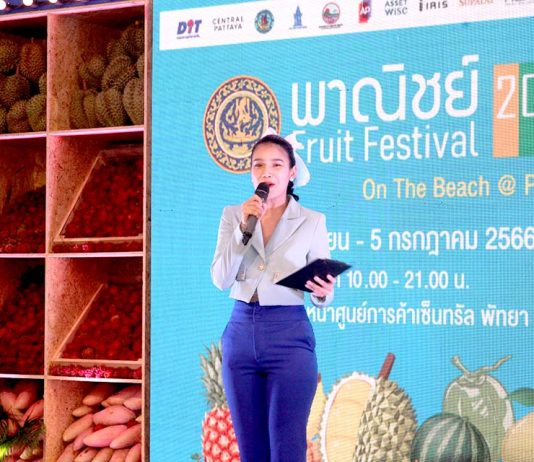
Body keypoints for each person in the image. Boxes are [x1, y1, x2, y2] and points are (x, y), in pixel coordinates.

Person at [211, 132, 335, 462]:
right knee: (252, 451)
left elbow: (322, 287)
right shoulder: (233, 215)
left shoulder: (312, 221)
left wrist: (323, 293)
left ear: (292, 172)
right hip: (240, 332)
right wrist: (244, 227)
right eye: (259, 165)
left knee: (286, 448)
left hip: (288, 334)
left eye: (277, 164)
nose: (267, 171)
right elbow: (221, 279)